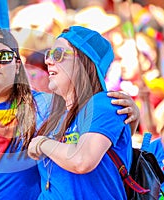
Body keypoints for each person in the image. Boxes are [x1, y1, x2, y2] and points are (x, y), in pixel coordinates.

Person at [0, 27, 139, 199]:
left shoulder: (51, 107)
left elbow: (97, 141)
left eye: (3, 57)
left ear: (18, 65)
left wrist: (130, 115)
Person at [28, 26, 133, 199]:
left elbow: (82, 161)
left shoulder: (104, 104)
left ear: (84, 62)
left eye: (57, 54)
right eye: (48, 54)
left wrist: (42, 144)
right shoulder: (55, 115)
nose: (48, 61)